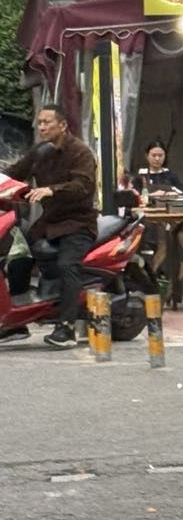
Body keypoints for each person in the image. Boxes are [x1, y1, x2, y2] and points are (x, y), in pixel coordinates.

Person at [7, 103, 99, 348]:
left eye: (47, 122)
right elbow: (15, 172)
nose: (42, 127)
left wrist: (52, 190)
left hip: (78, 222)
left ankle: (66, 327)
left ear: (63, 125)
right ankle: (15, 323)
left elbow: (83, 186)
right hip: (49, 221)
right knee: (17, 258)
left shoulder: (80, 152)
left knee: (68, 265)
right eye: (39, 123)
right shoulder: (40, 151)